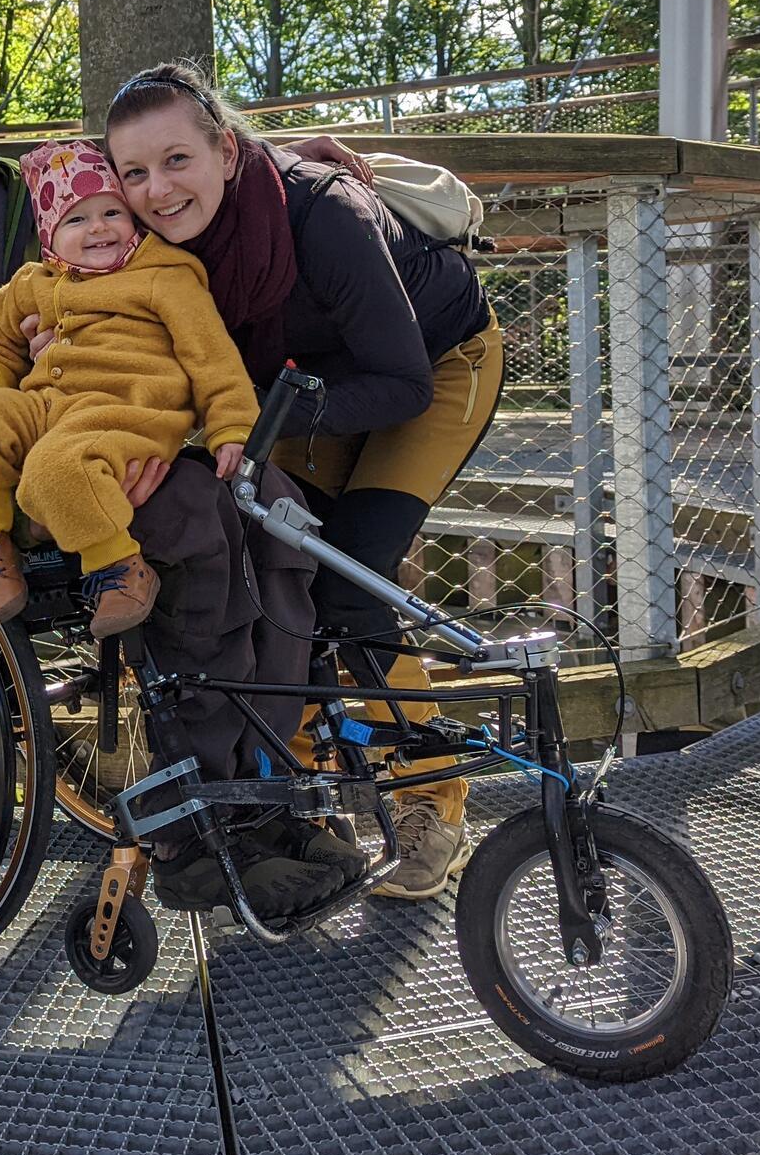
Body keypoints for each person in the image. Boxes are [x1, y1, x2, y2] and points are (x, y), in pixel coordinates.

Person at [0, 2, 359, 918]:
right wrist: (33, 490)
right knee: (190, 525)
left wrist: (283, 159)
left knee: (266, 504)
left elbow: (158, 159)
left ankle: (266, 778)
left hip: (103, 425)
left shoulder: (21, 197)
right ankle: (192, 833)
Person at [104, 62, 505, 901]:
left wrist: (255, 422)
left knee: (353, 585)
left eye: (177, 161)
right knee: (282, 566)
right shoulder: (159, 247)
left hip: (429, 368)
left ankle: (439, 803)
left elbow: (402, 384)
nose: (156, 190)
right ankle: (315, 796)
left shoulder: (325, 213)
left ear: (224, 148)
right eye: (133, 172)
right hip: (309, 387)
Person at [0, 140, 260, 639]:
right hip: (49, 408)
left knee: (56, 469)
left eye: (112, 211)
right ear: (49, 235)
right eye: (77, 220)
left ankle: (119, 567)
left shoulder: (162, 278)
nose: (99, 228)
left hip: (128, 410)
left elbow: (211, 356)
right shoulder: (33, 283)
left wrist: (231, 425)